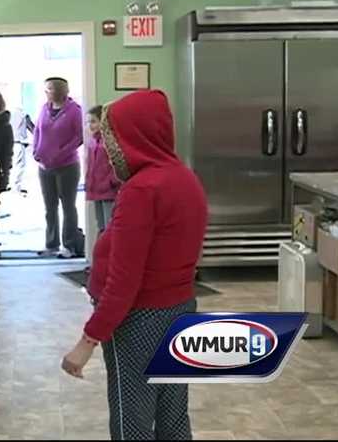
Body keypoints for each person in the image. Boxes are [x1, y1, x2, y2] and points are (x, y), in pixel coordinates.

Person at [61, 89, 209, 441]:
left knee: (133, 419)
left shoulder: (142, 191)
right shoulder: (184, 178)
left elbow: (123, 282)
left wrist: (88, 340)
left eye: (113, 138)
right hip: (180, 310)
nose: (109, 150)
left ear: (138, 136)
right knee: (173, 414)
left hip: (139, 320)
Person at [32, 76, 84, 258]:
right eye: (45, 89)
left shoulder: (74, 111)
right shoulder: (44, 109)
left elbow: (79, 136)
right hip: (44, 166)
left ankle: (69, 245)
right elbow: (38, 130)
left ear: (59, 91)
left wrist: (60, 153)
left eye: (49, 89)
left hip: (67, 166)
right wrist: (35, 150)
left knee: (68, 206)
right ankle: (51, 244)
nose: (46, 92)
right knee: (50, 207)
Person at [85, 104, 120, 236]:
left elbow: (117, 164)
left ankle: (110, 255)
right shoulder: (92, 142)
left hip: (109, 191)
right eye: (88, 122)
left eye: (93, 121)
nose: (90, 125)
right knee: (100, 226)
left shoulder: (110, 141)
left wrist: (111, 182)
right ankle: (102, 255)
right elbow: (91, 166)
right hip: (96, 190)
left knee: (109, 226)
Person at [10, 106, 35, 195]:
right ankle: (16, 187)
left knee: (12, 165)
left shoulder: (9, 115)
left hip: (10, 142)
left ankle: (12, 186)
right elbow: (32, 128)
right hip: (19, 142)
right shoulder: (24, 115)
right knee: (20, 165)